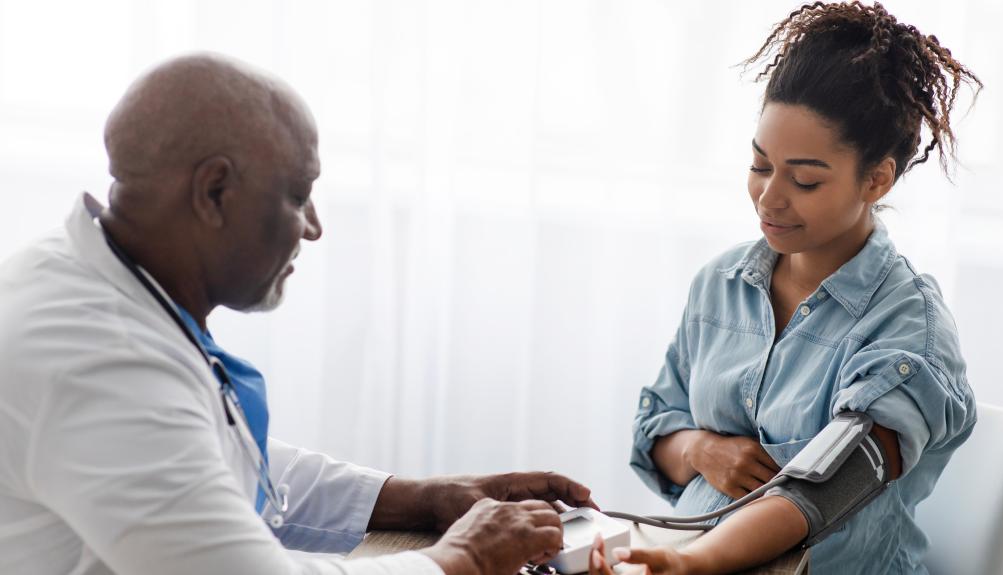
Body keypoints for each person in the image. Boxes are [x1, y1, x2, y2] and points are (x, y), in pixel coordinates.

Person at [0, 53, 596, 575]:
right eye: (298, 195)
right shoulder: (100, 362)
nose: (313, 228)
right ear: (214, 192)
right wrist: (464, 557)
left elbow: (203, 458)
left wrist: (424, 498)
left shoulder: (89, 272)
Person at [589, 2, 980, 573]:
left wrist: (696, 563)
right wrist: (701, 449)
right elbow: (656, 431)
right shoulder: (720, 285)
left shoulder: (910, 328)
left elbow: (830, 487)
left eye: (804, 180)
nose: (769, 197)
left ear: (876, 179)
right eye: (760, 166)